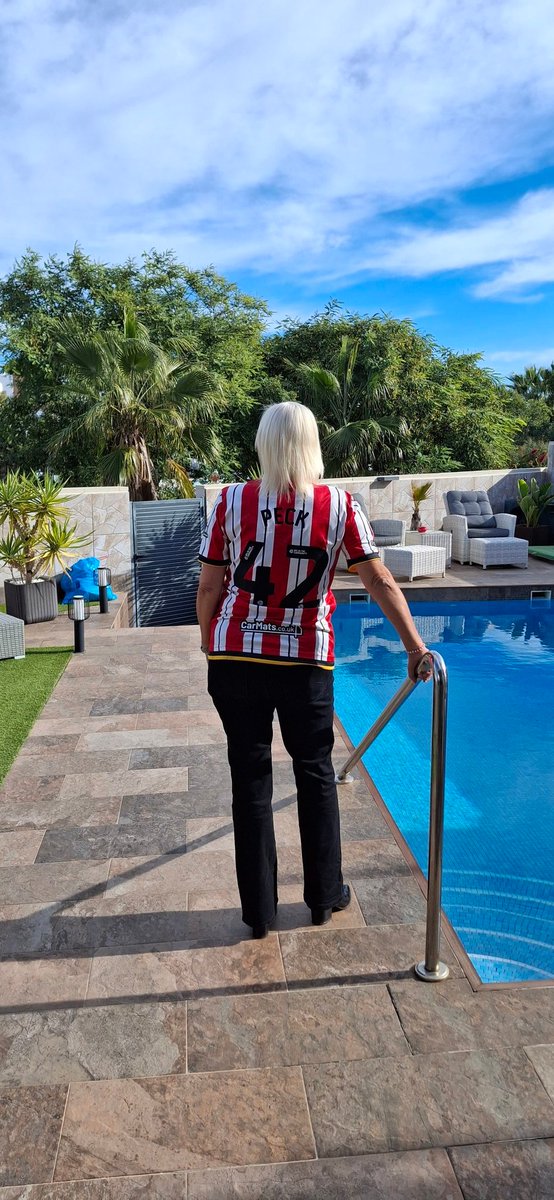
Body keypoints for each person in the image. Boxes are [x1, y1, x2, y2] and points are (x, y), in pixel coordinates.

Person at [196, 402, 432, 939]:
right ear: (312, 446)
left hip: (237, 659)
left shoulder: (231, 501)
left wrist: (211, 643)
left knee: (249, 779)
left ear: (263, 443)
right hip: (305, 660)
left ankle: (258, 912)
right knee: (315, 774)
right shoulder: (340, 506)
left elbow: (210, 588)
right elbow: (379, 582)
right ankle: (325, 897)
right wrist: (414, 646)